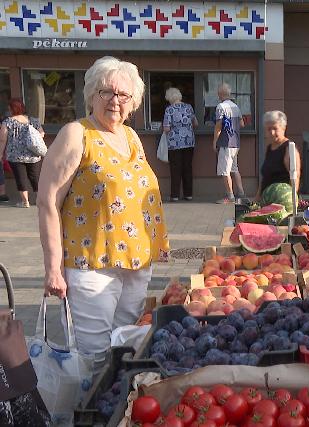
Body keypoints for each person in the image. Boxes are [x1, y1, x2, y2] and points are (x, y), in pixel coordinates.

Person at [36, 56, 170, 367]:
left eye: (123, 95)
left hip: (136, 264)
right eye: (106, 92)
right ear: (92, 95)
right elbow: (48, 202)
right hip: (91, 266)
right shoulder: (76, 134)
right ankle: (85, 414)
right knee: (93, 358)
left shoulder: (131, 137)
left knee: (124, 347)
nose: (114, 101)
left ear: (133, 101)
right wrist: (53, 268)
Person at [0, 98, 45, 207]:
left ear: (11, 109)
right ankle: (40, 200)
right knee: (35, 177)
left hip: (15, 156)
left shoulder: (7, 122)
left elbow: (3, 139)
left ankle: (25, 202)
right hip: (33, 154)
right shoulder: (33, 120)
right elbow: (42, 134)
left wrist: (1, 153)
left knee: (21, 178)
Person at [255, 111, 301, 201]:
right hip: (267, 201)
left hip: (281, 201)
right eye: (268, 129)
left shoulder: (289, 148)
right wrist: (257, 198)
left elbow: (295, 177)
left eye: (275, 128)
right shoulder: (270, 148)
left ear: (283, 128)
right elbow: (265, 176)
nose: (272, 132)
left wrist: (291, 200)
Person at [163, 87, 197, 201]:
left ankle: (175, 195)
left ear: (169, 97)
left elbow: (166, 128)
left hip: (174, 143)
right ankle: (188, 194)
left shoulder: (169, 109)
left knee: (175, 169)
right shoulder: (188, 107)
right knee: (188, 167)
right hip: (189, 141)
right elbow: (195, 123)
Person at [213, 83, 245, 203]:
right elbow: (242, 124)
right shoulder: (235, 107)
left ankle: (230, 196)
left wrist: (215, 141)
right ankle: (241, 193)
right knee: (234, 168)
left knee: (225, 171)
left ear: (220, 94)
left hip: (225, 142)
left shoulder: (221, 106)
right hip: (235, 142)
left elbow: (218, 126)